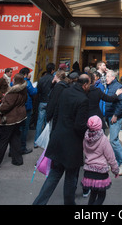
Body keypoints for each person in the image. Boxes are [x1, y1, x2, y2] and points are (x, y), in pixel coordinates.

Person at [32, 74, 91, 205]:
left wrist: (54, 133)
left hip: (58, 139)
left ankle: (39, 202)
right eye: (89, 84)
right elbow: (79, 126)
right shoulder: (83, 100)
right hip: (72, 144)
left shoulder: (65, 92)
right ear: (85, 84)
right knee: (70, 178)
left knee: (54, 175)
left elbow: (56, 113)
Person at [0, 73, 27, 171]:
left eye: (13, 79)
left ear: (15, 81)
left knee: (3, 141)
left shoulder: (13, 92)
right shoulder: (23, 89)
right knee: (15, 138)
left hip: (9, 120)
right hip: (18, 118)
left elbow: (7, 105)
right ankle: (17, 159)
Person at [81, 115, 119, 205]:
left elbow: (84, 152)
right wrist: (115, 170)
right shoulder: (103, 139)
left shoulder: (86, 138)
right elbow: (111, 157)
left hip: (89, 171)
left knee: (93, 195)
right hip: (101, 172)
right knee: (101, 197)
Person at [101, 70, 122, 175]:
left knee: (113, 140)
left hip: (115, 117)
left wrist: (116, 114)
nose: (106, 78)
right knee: (112, 140)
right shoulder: (109, 86)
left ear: (113, 77)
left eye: (108, 76)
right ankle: (116, 162)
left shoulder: (118, 86)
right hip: (109, 115)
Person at [34, 62, 55, 148]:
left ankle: (36, 141)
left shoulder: (41, 79)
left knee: (39, 122)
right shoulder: (53, 79)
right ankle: (46, 141)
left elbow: (38, 91)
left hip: (42, 102)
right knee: (48, 122)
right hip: (49, 102)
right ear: (53, 70)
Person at [19, 67, 37, 155]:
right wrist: (35, 87)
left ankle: (14, 148)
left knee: (18, 127)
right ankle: (22, 147)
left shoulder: (14, 82)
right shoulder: (27, 83)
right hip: (27, 107)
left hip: (18, 108)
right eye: (29, 73)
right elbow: (33, 92)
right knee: (25, 127)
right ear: (26, 74)